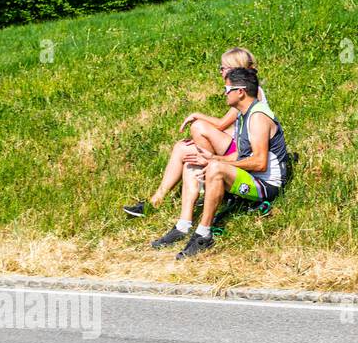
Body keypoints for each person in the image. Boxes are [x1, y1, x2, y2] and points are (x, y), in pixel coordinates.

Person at [151, 67, 290, 259]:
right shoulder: (244, 115)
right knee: (194, 159)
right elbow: (241, 155)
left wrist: (216, 164)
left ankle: (204, 234)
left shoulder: (258, 117)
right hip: (249, 177)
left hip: (265, 186)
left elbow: (259, 163)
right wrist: (210, 158)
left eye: (227, 90)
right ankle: (183, 226)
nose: (224, 94)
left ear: (240, 92)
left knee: (215, 169)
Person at [123, 47, 267, 217]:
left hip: (243, 153)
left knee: (198, 126)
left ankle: (209, 183)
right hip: (236, 145)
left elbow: (222, 125)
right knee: (181, 147)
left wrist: (198, 115)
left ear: (235, 69)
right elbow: (234, 128)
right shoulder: (240, 91)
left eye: (223, 68)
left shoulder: (248, 92)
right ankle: (156, 200)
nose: (220, 71)